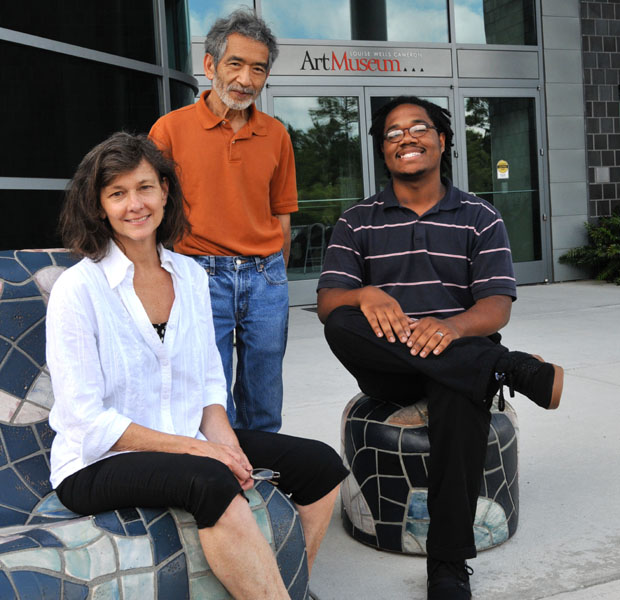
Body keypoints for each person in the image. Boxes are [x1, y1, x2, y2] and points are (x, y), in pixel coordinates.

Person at [47, 132, 347, 600]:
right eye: (117, 193)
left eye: (145, 187)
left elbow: (209, 381)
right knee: (208, 479)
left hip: (187, 434)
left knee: (320, 465)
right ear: (98, 205)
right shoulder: (78, 289)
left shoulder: (190, 275)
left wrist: (227, 447)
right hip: (97, 463)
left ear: (165, 191)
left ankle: (288, 584)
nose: (135, 205)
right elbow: (86, 421)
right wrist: (200, 452)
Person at [316, 97, 563, 600]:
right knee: (342, 323)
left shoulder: (479, 216)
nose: (406, 138)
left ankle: (447, 566)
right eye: (392, 133)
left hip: (460, 351)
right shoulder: (357, 221)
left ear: (442, 139)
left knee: (456, 387)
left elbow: (496, 306)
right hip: (390, 366)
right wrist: (365, 293)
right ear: (383, 152)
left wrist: (451, 329)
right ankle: (504, 367)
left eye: (419, 128)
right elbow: (328, 305)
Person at [149, 8, 296, 433]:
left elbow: (281, 214)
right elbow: (152, 213)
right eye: (236, 63)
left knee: (265, 396)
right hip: (198, 274)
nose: (246, 80)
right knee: (207, 396)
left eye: (258, 69)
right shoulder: (169, 129)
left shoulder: (277, 134)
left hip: (266, 277)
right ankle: (221, 478)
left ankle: (266, 481)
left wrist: (275, 271)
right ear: (210, 64)